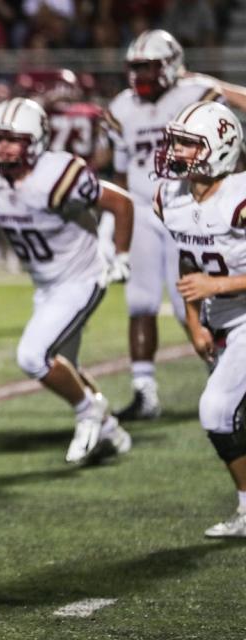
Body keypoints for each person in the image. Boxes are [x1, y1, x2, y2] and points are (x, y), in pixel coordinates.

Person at [0, 98, 134, 464]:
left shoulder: (59, 175)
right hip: (45, 285)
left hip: (83, 276)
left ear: (36, 140)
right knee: (62, 366)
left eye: (13, 139)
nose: (3, 147)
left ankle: (88, 413)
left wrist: (121, 255)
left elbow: (121, 204)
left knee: (33, 356)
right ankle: (110, 430)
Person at [104, 29, 223, 420]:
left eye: (148, 67)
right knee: (139, 300)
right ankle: (144, 392)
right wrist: (112, 228)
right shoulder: (121, 108)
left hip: (186, 204)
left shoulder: (195, 94)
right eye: (135, 67)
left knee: (187, 300)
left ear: (171, 66)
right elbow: (120, 177)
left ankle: (223, 376)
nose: (140, 76)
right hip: (140, 208)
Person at [153, 101, 246, 537]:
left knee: (216, 409)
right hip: (224, 320)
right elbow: (189, 262)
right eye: (177, 142)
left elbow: (208, 279)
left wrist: (218, 288)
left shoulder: (240, 198)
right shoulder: (170, 197)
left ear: (221, 148)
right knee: (228, 412)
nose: (178, 152)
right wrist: (194, 321)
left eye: (189, 144)